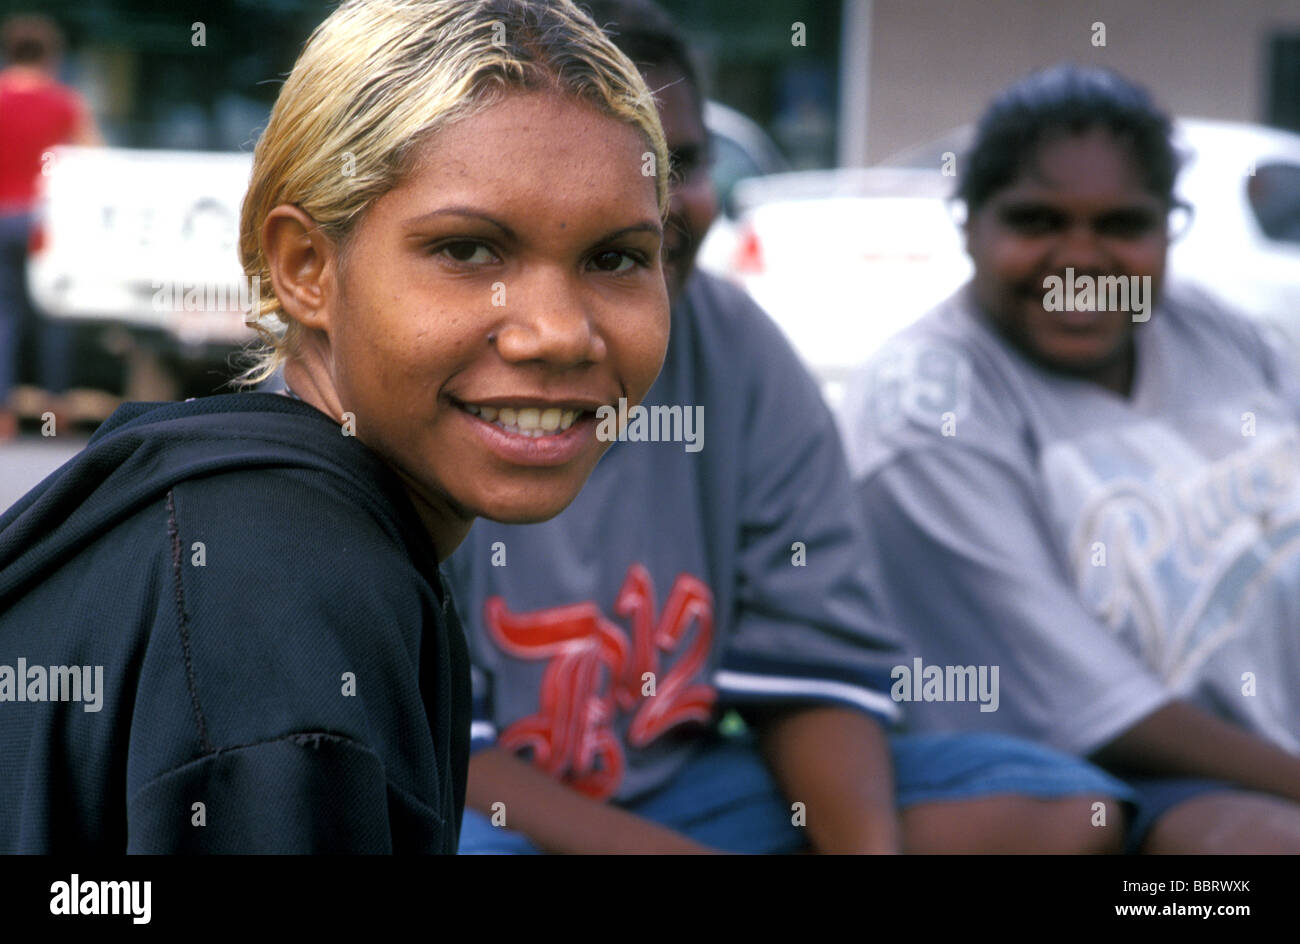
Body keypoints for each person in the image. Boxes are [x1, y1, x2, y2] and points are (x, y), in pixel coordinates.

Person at [445, 0, 1132, 855]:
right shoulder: (443, 365)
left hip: (682, 791)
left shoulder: (735, 343)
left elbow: (809, 673)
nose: (659, 204)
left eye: (682, 163)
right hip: (479, 808)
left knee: (1065, 807)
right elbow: (422, 748)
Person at [0, 0, 671, 853]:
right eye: (468, 251)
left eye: (615, 259)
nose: (559, 332)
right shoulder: (283, 599)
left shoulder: (266, 522)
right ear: (306, 268)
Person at [839, 65, 1300, 853]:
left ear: (1169, 227)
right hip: (1097, 787)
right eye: (1036, 219)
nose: (1080, 260)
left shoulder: (1215, 334)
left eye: (1123, 224)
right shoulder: (926, 407)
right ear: (968, 224)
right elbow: (1093, 709)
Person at [0, 14, 100, 440]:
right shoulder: (64, 101)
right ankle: (55, 411)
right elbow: (93, 156)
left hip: (1, 217)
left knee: (4, 316)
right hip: (46, 222)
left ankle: (2, 415)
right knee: (53, 315)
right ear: (52, 55)